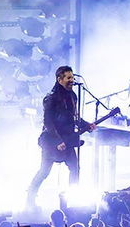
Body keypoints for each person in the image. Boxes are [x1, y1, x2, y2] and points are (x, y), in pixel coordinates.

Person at [25, 66, 93, 209]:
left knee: (75, 168)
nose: (71, 80)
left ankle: (71, 200)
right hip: (51, 141)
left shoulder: (73, 96)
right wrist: (57, 141)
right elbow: (48, 122)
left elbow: (74, 118)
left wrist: (87, 124)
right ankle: (30, 198)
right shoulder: (51, 98)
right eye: (68, 78)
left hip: (67, 139)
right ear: (59, 79)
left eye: (72, 77)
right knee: (44, 171)